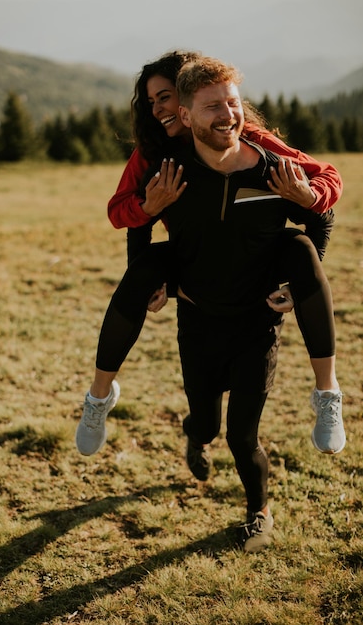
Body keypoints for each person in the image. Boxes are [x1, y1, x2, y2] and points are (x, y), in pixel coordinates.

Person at [76, 51, 344, 473]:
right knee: (144, 275)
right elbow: (122, 214)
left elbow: (323, 180)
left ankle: (328, 393)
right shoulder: (154, 154)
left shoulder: (250, 140)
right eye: (153, 102)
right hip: (190, 267)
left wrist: (309, 198)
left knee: (299, 247)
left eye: (164, 96)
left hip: (253, 277)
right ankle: (98, 398)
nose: (159, 108)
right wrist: (149, 208)